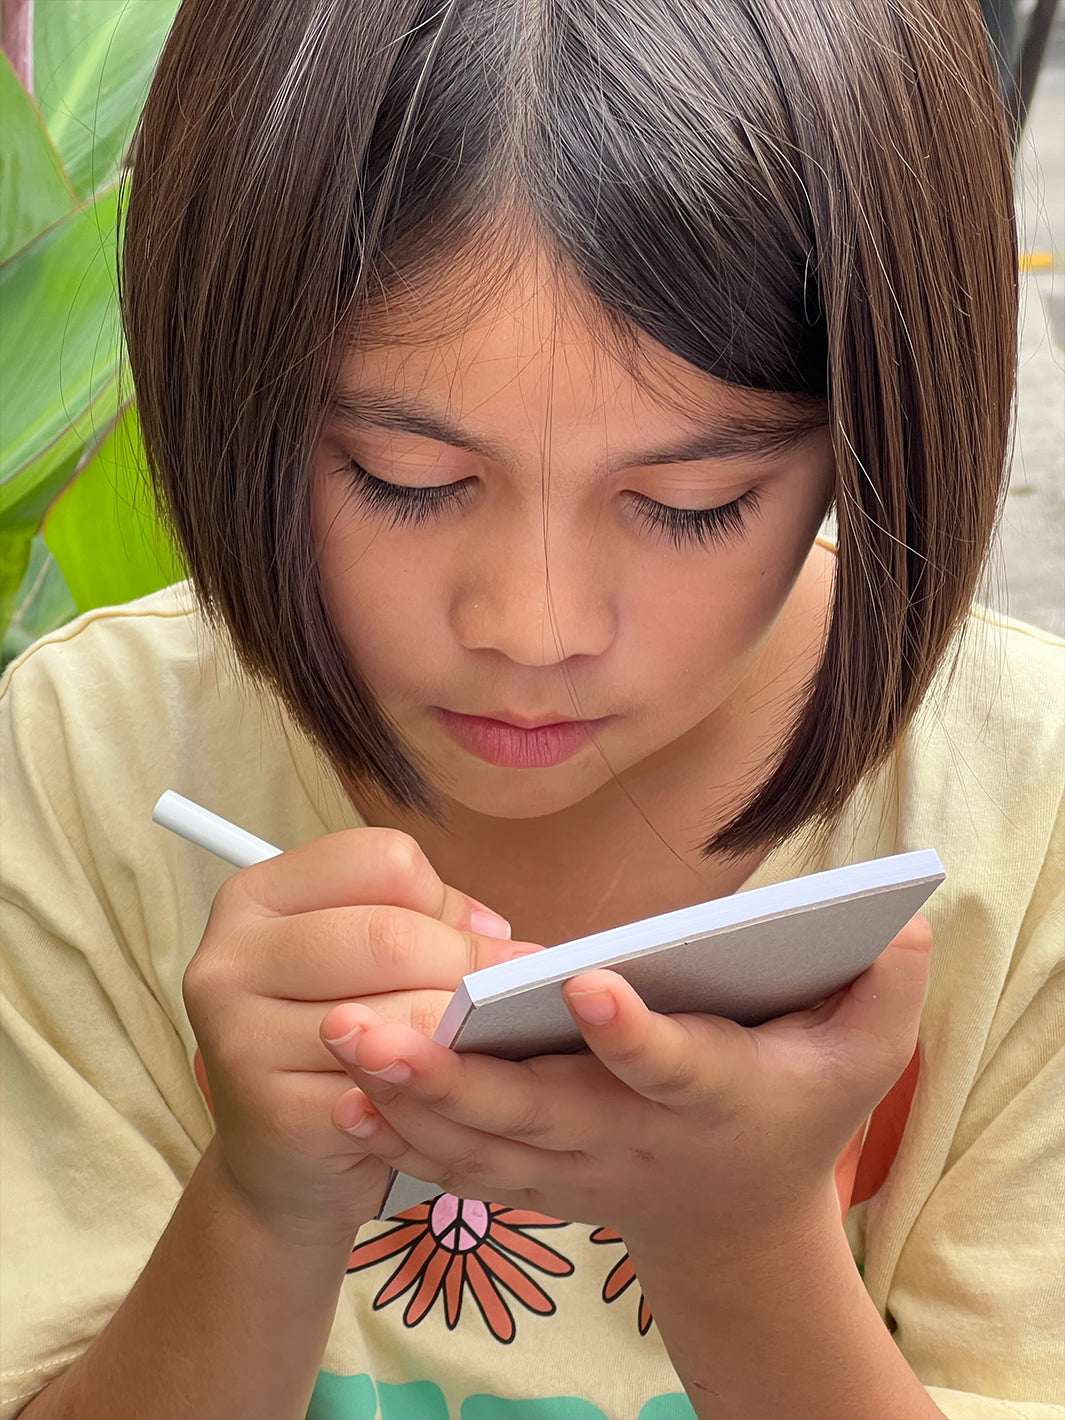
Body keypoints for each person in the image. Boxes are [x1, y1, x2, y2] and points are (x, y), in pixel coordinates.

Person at [1, 0, 1061, 1416]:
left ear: (874, 434)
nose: (533, 628)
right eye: (406, 478)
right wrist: (260, 1209)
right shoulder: (93, 763)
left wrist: (742, 1244)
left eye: (692, 504)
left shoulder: (1027, 815)